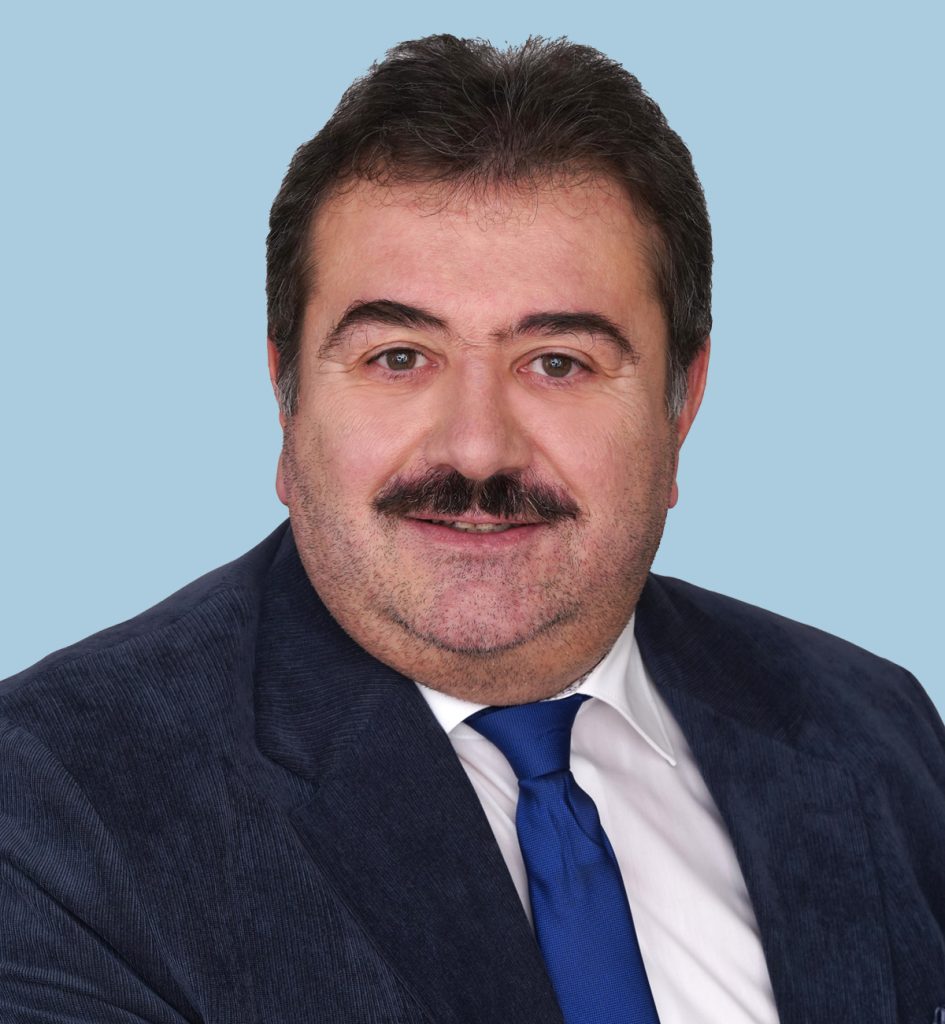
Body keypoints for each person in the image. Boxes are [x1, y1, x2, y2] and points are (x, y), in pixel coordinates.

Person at [1, 33, 943, 1024]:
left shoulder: (872, 726)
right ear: (287, 398)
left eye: (559, 363)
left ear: (682, 405)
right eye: (400, 357)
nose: (478, 449)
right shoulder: (51, 804)